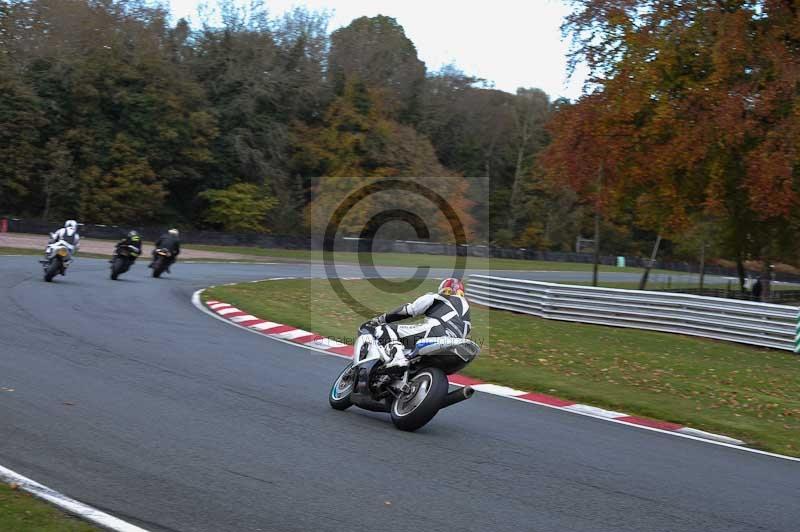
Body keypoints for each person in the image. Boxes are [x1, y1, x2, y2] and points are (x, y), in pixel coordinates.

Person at [364, 278, 471, 370]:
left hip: (435, 332)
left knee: (385, 329)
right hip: (456, 346)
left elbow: (409, 310)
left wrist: (381, 319)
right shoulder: (467, 312)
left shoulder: (436, 297)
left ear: (443, 289)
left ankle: (398, 358)